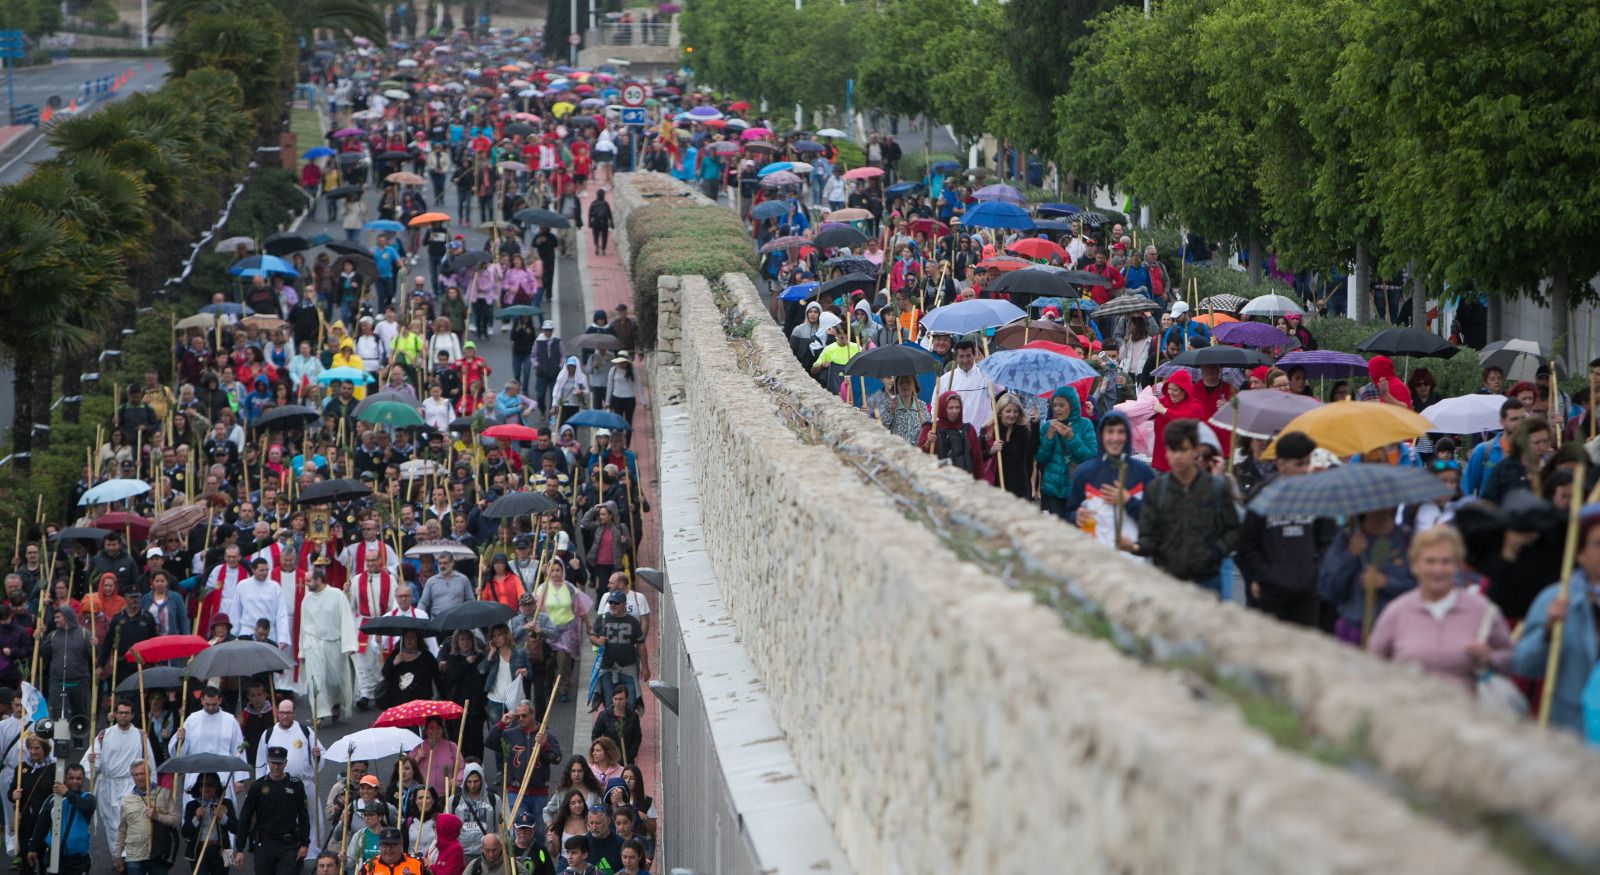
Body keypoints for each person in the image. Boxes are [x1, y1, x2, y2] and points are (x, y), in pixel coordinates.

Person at [1368, 526, 1513, 693]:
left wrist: (1490, 657)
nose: (1437, 570)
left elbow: (1510, 658)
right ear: (1415, 565)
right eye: (1430, 561)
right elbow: (1373, 664)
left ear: (1458, 565)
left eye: (1446, 562)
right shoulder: (1396, 611)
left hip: (1465, 713)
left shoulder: (1482, 610)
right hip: (1407, 711)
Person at [1124, 419, 1240, 596]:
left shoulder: (1215, 487)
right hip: (1168, 581)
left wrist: (1215, 552)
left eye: (1183, 450)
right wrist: (1135, 547)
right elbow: (1149, 536)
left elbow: (1232, 531)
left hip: (1207, 581)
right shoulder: (1157, 489)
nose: (1177, 456)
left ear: (1194, 451)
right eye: (1172, 450)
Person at [1512, 506, 1600, 736]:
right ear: (1580, 552)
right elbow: (1523, 665)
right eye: (1598, 544)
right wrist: (1548, 632)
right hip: (1571, 731)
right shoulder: (1556, 599)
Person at [1236, 432, 1336, 627]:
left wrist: (1313, 574)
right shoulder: (1262, 496)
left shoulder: (1316, 498)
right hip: (1271, 594)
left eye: (1307, 462)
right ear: (1280, 464)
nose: (1305, 469)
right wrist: (1265, 577)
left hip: (1307, 593)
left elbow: (1327, 541)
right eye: (1299, 464)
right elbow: (1246, 546)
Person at [1318, 507, 1417, 646]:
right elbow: (1328, 590)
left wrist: (1386, 583)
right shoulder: (1346, 539)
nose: (1380, 508)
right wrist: (1350, 555)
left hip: (1399, 634)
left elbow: (1421, 589)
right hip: (1354, 633)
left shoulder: (1407, 539)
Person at [1066, 411, 1155, 547]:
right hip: (1097, 559)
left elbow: (1156, 519)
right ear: (1101, 435)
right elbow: (1071, 512)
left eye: (1120, 432)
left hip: (1134, 560)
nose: (1115, 438)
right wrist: (1076, 517)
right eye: (1110, 431)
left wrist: (1129, 501)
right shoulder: (1084, 473)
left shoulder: (1143, 472)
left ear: (1128, 435)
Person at [86, 698, 157, 860]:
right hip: (108, 785)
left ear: (132, 715)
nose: (123, 716)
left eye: (127, 713)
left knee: (129, 821)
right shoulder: (104, 735)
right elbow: (91, 763)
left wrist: (152, 788)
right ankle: (118, 857)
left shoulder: (140, 736)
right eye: (120, 713)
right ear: (115, 714)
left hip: (131, 785)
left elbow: (150, 763)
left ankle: (130, 858)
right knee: (112, 824)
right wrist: (92, 761)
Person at [252, 700, 323, 855]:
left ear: (294, 713)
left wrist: (317, 756)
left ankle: (311, 852)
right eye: (282, 712)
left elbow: (320, 756)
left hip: (304, 784)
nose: (285, 715)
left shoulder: (306, 731)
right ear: (277, 713)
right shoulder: (269, 734)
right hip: (277, 786)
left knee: (309, 818)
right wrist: (260, 788)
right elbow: (260, 762)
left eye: (288, 712)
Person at [235, 746, 312, 875]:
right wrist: (240, 848)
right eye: (273, 763)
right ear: (268, 762)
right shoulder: (258, 787)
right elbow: (245, 818)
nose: (276, 767)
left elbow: (303, 816)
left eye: (280, 763)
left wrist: (305, 843)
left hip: (288, 844)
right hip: (265, 843)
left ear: (285, 763)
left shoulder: (295, 785)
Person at [485, 701, 563, 827]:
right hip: (515, 791)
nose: (520, 719)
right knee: (520, 830)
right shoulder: (510, 735)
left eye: (524, 715)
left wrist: (545, 746)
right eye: (518, 716)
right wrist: (501, 724)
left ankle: (539, 849)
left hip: (538, 791)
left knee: (539, 832)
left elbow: (557, 758)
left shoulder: (546, 735)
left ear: (533, 714)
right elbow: (489, 742)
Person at [299, 569, 357, 723]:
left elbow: (346, 618)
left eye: (309, 581)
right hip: (312, 644)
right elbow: (303, 626)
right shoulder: (307, 600)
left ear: (319, 580)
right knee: (315, 679)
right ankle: (318, 714)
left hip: (333, 643)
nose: (306, 584)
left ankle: (335, 704)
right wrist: (301, 652)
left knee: (334, 681)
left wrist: (349, 644)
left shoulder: (337, 595)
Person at [170, 687, 248, 796]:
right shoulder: (191, 720)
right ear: (202, 700)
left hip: (223, 775)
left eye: (214, 704)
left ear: (220, 701)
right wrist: (181, 740)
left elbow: (238, 749)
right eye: (207, 704)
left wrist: (239, 779)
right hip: (196, 775)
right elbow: (179, 752)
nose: (211, 707)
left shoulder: (230, 721)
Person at [1035, 385, 1098, 517]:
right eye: (1055, 405)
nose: (1057, 409)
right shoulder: (1048, 426)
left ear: (1072, 406)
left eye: (1061, 405)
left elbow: (1091, 456)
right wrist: (1049, 438)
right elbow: (1041, 459)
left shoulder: (1085, 424)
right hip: (1053, 489)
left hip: (1077, 487)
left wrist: (1071, 438)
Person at [113, 759, 180, 875]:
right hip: (134, 855)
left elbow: (176, 820)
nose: (139, 777)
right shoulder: (126, 800)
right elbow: (122, 830)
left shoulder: (164, 794)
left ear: (149, 774)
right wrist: (118, 855)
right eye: (136, 775)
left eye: (142, 773)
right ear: (132, 777)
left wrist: (157, 816)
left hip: (158, 854)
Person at [27, 763, 95, 875]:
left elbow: (87, 806)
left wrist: (67, 793)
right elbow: (41, 825)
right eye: (71, 778)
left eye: (78, 778)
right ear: (65, 779)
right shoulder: (52, 800)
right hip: (54, 857)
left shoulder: (88, 798)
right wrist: (33, 848)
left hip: (78, 860)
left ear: (83, 780)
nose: (75, 781)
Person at [1463, 398, 1525, 497]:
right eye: (1514, 419)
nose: (1519, 424)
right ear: (1502, 422)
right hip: (1488, 510)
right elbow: (1465, 489)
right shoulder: (1483, 451)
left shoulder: (1529, 451)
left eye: (1522, 419)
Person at [930, 340, 995, 428]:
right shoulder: (946, 379)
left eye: (968, 356)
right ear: (956, 357)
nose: (965, 360)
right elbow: (935, 405)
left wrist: (986, 366)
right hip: (956, 434)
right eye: (961, 356)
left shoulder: (986, 375)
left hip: (983, 432)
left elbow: (999, 395)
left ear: (974, 356)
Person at [916, 392, 983, 477]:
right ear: (943, 408)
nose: (954, 411)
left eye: (957, 407)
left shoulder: (969, 430)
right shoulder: (930, 429)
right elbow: (918, 457)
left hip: (965, 483)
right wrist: (928, 443)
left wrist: (981, 484)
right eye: (950, 408)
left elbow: (977, 462)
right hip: (939, 482)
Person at [181, 773, 236, 875]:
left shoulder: (226, 803)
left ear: (216, 786)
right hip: (199, 850)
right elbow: (184, 832)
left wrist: (223, 817)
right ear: (198, 788)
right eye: (202, 785)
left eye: (210, 784)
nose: (206, 788)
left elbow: (236, 828)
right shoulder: (192, 806)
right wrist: (196, 818)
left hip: (222, 849)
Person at [450, 763, 498, 863]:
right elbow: (447, 828)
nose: (472, 785)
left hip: (487, 854)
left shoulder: (493, 799)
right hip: (461, 853)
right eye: (469, 782)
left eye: (476, 781)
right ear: (464, 782)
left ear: (482, 780)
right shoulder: (454, 800)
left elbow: (501, 827)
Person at [357, 828, 422, 875]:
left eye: (393, 845)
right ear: (379, 846)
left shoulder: (418, 864)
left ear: (401, 844)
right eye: (385, 845)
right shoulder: (368, 866)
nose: (388, 849)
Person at [588, 190, 614, 256]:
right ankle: (603, 249)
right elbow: (609, 214)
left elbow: (590, 214)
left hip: (595, 221)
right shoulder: (606, 203)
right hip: (604, 222)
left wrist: (589, 223)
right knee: (604, 236)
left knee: (595, 235)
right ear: (603, 195)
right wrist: (612, 223)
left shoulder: (593, 203)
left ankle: (596, 246)